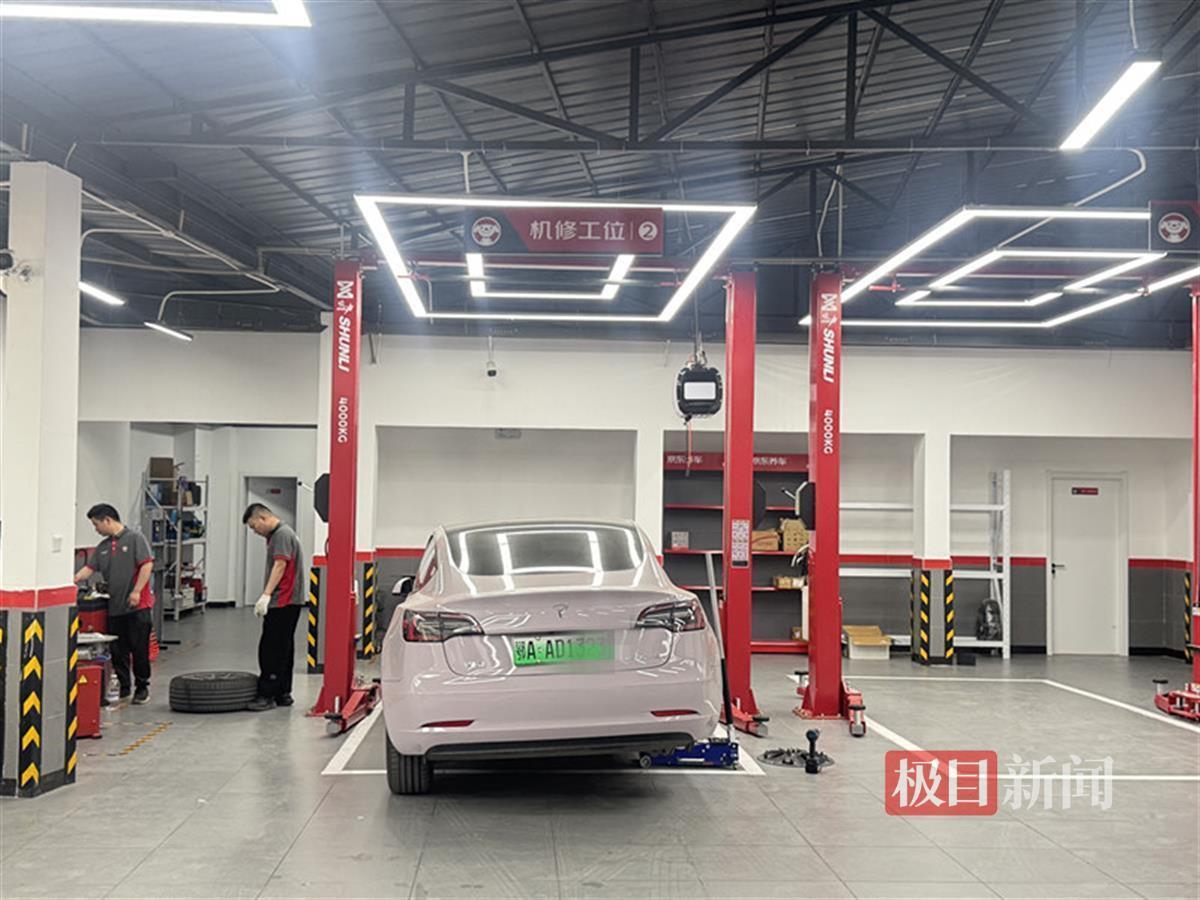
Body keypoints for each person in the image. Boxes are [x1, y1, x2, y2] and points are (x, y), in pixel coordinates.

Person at [73, 503, 155, 704]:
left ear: (107, 520)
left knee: (139, 649)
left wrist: (136, 591)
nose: (96, 529)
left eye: (96, 524)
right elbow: (89, 569)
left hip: (137, 607)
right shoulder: (103, 548)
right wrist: (72, 580)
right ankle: (125, 688)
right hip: (115, 607)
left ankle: (142, 688)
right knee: (118, 651)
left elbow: (146, 565)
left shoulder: (135, 539)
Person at [242, 503, 305, 711]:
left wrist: (266, 595)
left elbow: (280, 565)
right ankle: (283, 693)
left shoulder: (281, 535)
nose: (255, 531)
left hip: (283, 601)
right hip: (290, 601)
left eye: (254, 526)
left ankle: (267, 695)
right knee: (284, 648)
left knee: (271, 649)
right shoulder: (282, 534)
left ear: (263, 518)